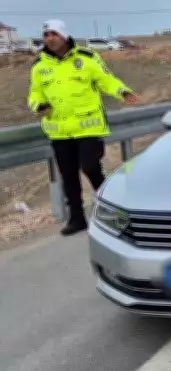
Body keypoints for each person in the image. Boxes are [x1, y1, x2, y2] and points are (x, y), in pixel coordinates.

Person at [27, 19, 139, 236]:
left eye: (54, 34)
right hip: (59, 130)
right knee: (68, 175)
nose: (50, 39)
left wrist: (122, 91)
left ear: (64, 36)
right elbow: (34, 93)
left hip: (89, 127)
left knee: (90, 168)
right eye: (46, 35)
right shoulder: (39, 66)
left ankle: (114, 213)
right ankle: (77, 218)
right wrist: (38, 106)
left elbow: (106, 79)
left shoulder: (86, 59)